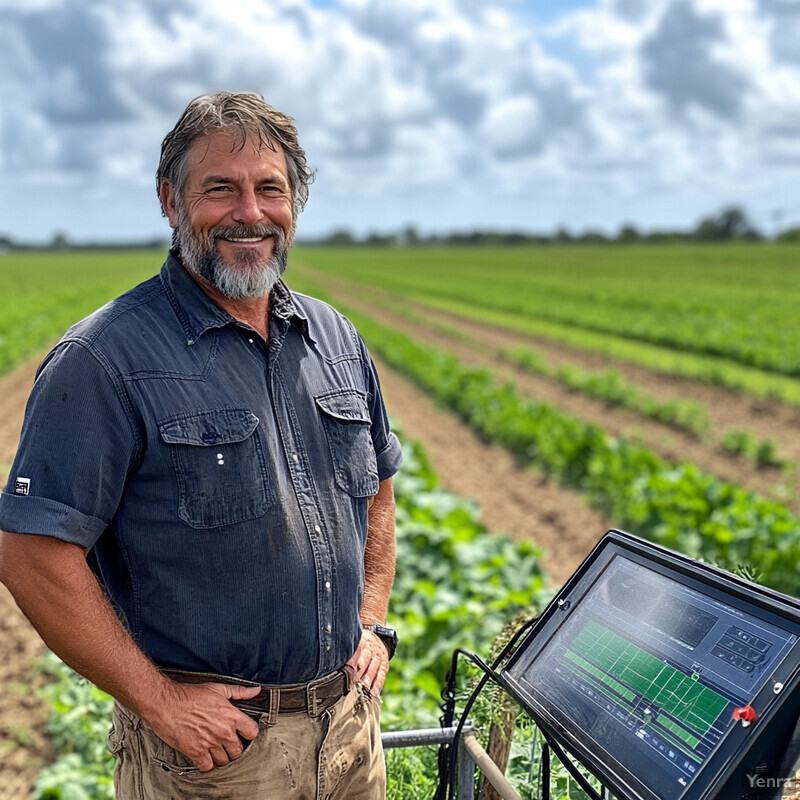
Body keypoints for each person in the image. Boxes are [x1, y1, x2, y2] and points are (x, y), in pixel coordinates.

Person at [0, 91, 402, 799]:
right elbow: (31, 553)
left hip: (348, 740)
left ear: (293, 203)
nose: (250, 212)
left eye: (269, 189)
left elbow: (376, 488)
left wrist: (369, 622)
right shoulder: (104, 359)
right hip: (217, 761)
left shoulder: (335, 338)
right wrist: (159, 702)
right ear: (171, 201)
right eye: (221, 189)